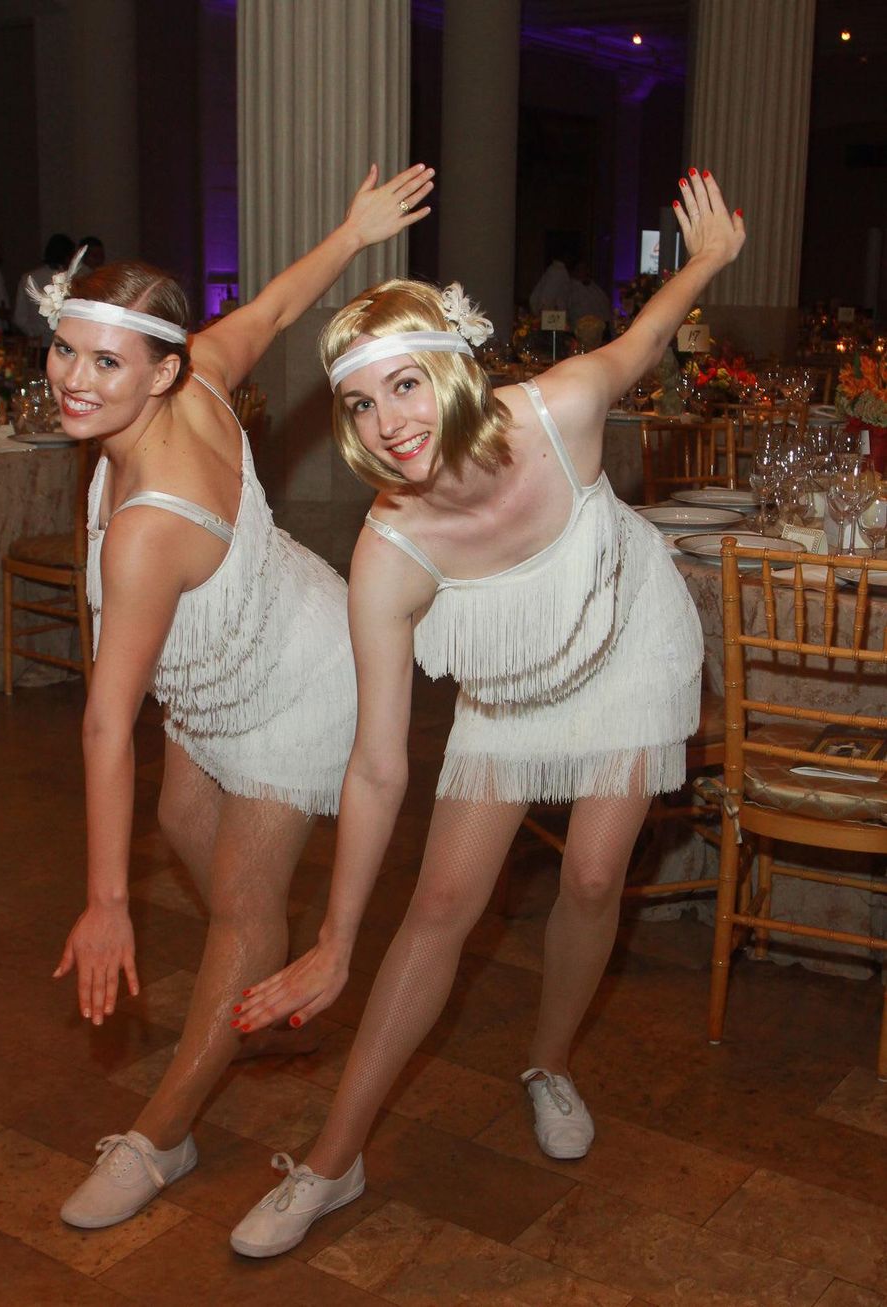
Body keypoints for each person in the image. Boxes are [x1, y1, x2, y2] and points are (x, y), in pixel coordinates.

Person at [229, 168, 745, 1257]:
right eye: (364, 403)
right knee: (439, 907)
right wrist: (333, 937)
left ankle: (547, 1062)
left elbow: (643, 341)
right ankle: (331, 1158)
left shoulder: (556, 412)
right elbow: (376, 769)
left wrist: (702, 260)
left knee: (596, 872)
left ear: (454, 370)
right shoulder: (390, 550)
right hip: (510, 682)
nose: (388, 420)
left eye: (406, 384)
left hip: (623, 629)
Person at [47, 162, 434, 1230]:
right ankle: (265, 964)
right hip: (225, 669)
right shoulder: (201, 368)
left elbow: (101, 722)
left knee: (242, 904)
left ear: (161, 374)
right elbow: (270, 304)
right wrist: (350, 231)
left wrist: (108, 900)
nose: (77, 380)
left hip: (297, 686)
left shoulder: (147, 527)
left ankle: (158, 1133)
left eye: (106, 363)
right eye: (67, 349)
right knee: (187, 825)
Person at [13, 233, 76, 353]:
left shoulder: (28, 278)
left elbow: (19, 318)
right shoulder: (71, 280)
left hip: (37, 344)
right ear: (68, 256)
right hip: (63, 345)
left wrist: (34, 332)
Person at [567, 259, 612, 339]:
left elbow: (605, 306)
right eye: (580, 269)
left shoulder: (594, 287)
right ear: (574, 271)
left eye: (585, 268)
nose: (584, 271)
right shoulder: (570, 289)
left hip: (601, 330)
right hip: (583, 332)